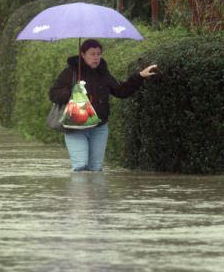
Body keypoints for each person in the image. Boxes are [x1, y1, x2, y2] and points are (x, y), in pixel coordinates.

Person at [49, 39, 157, 172]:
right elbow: (53, 94)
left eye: (98, 54)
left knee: (95, 169)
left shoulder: (103, 73)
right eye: (92, 54)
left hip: (99, 127)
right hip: (75, 126)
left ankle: (94, 193)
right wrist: (73, 91)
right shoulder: (70, 72)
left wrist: (140, 76)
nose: (96, 58)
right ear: (82, 54)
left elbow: (121, 91)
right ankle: (78, 193)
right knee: (81, 165)